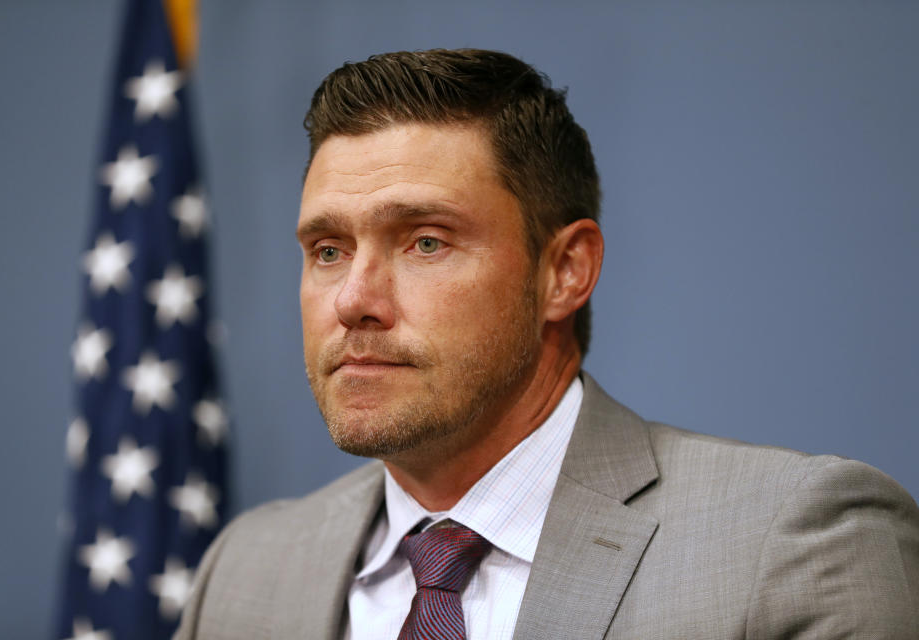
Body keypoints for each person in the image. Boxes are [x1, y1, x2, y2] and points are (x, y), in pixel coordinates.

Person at [174, 49, 919, 639]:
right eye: (329, 249)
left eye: (425, 242)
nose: (353, 300)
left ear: (565, 271)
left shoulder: (794, 546)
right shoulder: (245, 573)